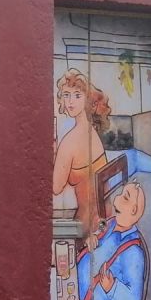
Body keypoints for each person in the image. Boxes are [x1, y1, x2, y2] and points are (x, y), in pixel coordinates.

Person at [52, 68, 111, 242]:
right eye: (66, 95)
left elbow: (55, 188)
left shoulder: (68, 143)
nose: (70, 101)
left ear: (87, 99)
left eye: (77, 95)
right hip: (107, 219)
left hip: (87, 229)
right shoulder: (92, 131)